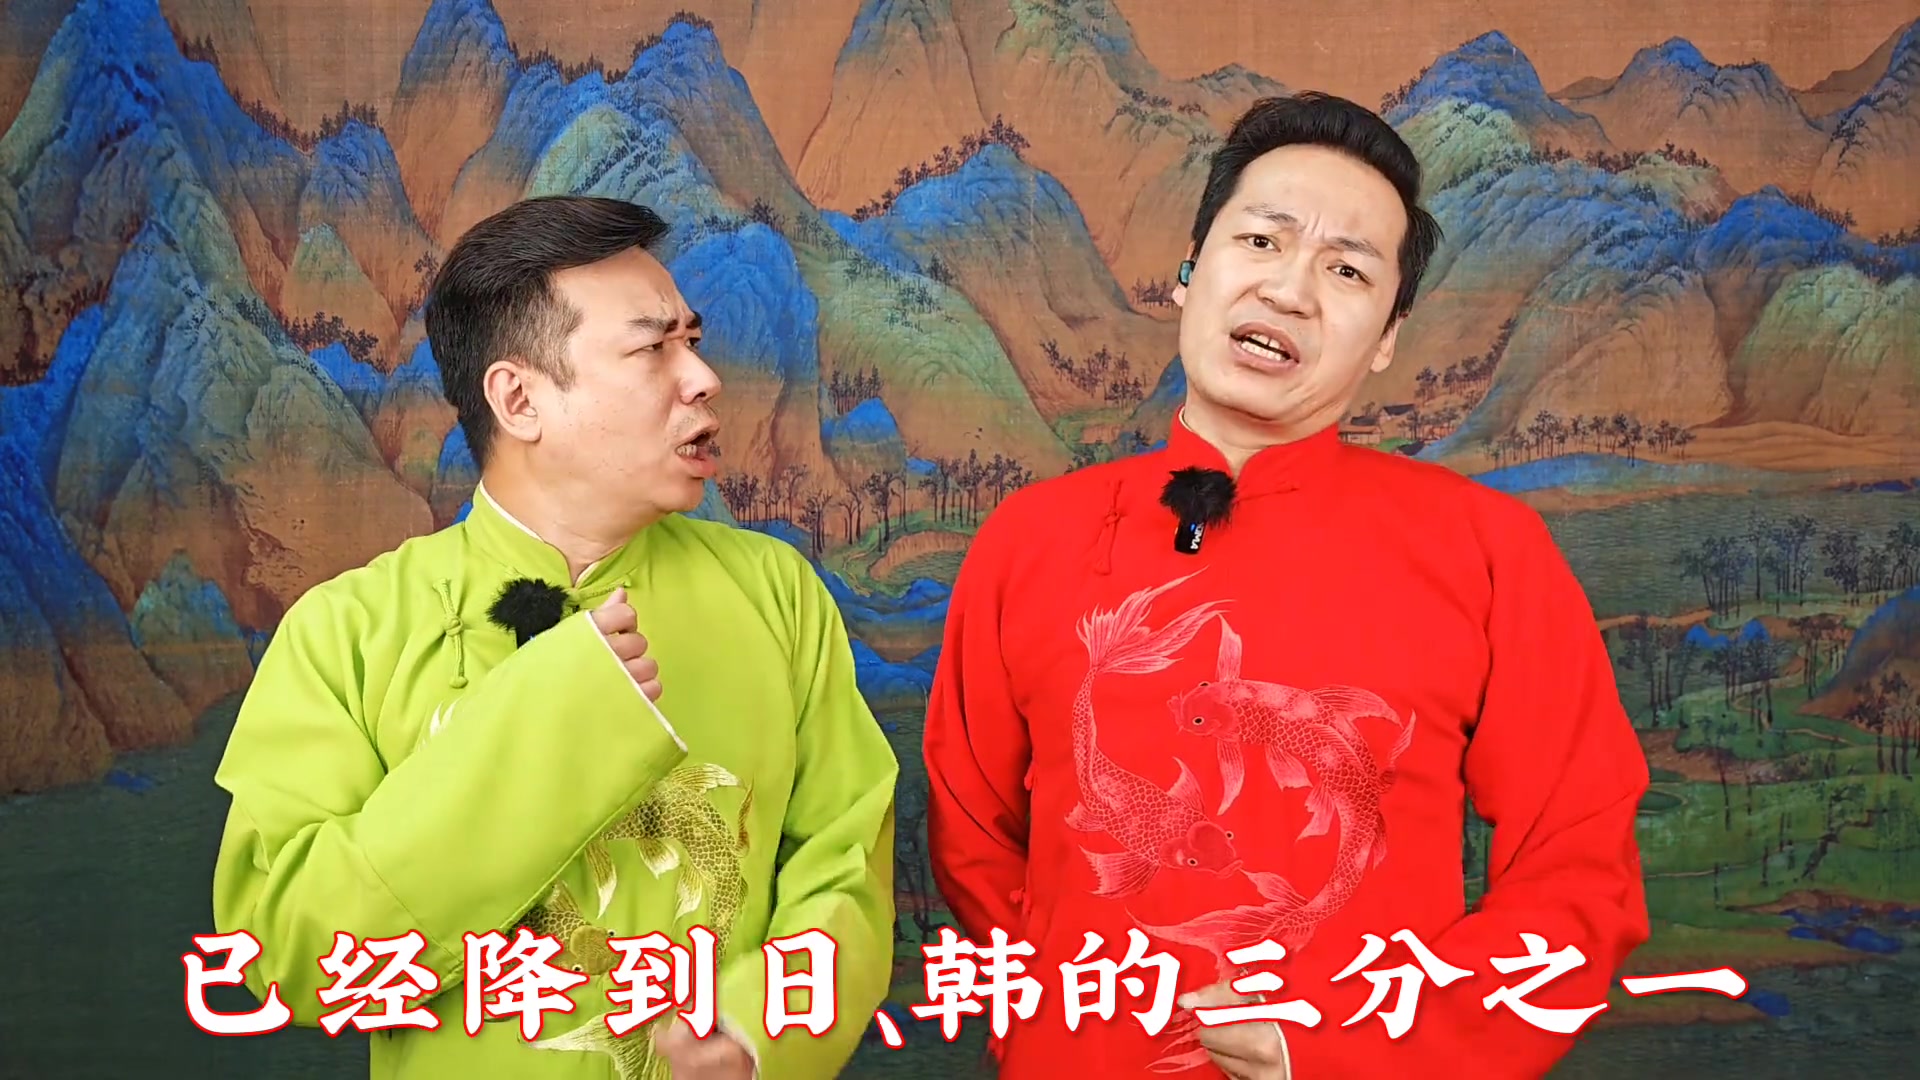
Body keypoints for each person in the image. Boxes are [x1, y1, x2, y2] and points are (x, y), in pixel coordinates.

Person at [923, 92, 1650, 1079]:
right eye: (1261, 241)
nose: (1290, 290)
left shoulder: (1486, 548)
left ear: (1387, 336)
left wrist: (1345, 1048)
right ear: (1190, 271)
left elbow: (1580, 867)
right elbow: (973, 842)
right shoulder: (1030, 538)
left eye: (1346, 270)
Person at [206, 195, 899, 1080]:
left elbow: (844, 864)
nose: (702, 377)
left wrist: (756, 1033)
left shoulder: (774, 594)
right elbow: (288, 949)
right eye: (653, 349)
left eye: (692, 340)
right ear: (520, 398)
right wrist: (555, 715)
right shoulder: (349, 632)